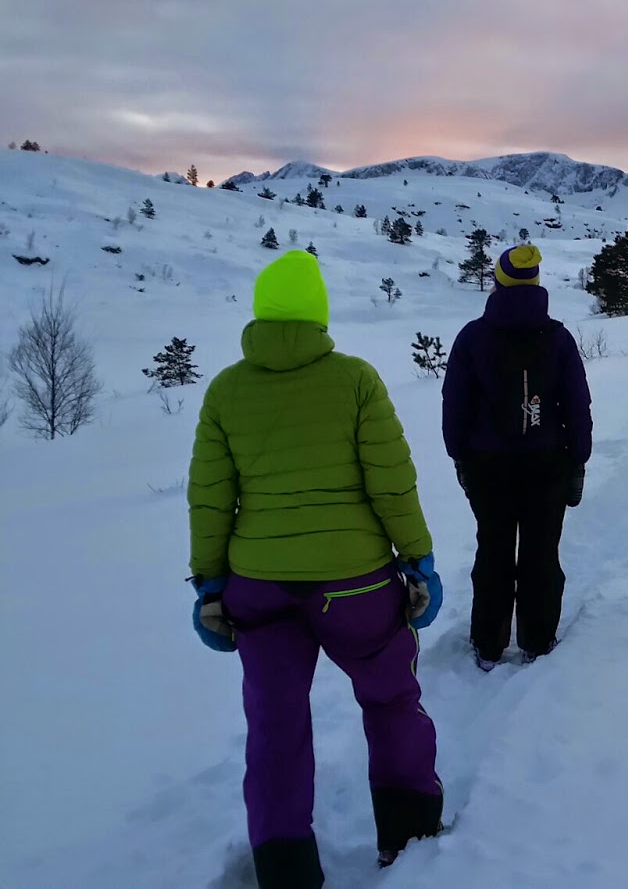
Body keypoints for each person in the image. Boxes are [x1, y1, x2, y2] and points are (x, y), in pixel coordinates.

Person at [187, 250, 446, 887]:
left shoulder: (226, 389)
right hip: (356, 584)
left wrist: (208, 585)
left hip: (258, 587)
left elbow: (211, 497)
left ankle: (285, 869)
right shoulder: (355, 379)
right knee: (390, 700)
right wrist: (419, 560)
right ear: (319, 314)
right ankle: (408, 834)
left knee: (274, 726)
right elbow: (392, 485)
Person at [442, 245, 592, 671]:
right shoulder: (558, 338)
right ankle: (537, 640)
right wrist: (578, 457)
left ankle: (488, 645)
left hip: (487, 466)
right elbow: (577, 403)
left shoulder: (472, 336)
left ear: (498, 282)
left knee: (493, 551)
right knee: (542, 553)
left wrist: (459, 456)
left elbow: (454, 402)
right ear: (536, 283)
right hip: (548, 464)